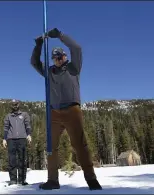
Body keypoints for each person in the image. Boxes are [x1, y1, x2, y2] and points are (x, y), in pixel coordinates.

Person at [30, 28, 102, 190]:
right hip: (54, 113)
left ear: (65, 57)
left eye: (60, 57)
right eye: (55, 58)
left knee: (79, 145)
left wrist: (60, 36)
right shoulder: (50, 72)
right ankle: (53, 180)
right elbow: (35, 63)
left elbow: (77, 48)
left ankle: (91, 179)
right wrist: (39, 45)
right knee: (51, 147)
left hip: (72, 111)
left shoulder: (74, 68)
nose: (58, 60)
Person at [2, 100, 32, 186]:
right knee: (12, 160)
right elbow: (6, 128)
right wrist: (4, 139)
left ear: (19, 105)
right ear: (11, 106)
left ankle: (22, 180)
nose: (15, 106)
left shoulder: (24, 115)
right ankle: (13, 179)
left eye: (16, 104)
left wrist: (29, 134)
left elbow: (28, 125)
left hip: (22, 139)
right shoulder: (8, 116)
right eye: (13, 105)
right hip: (11, 139)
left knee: (22, 159)